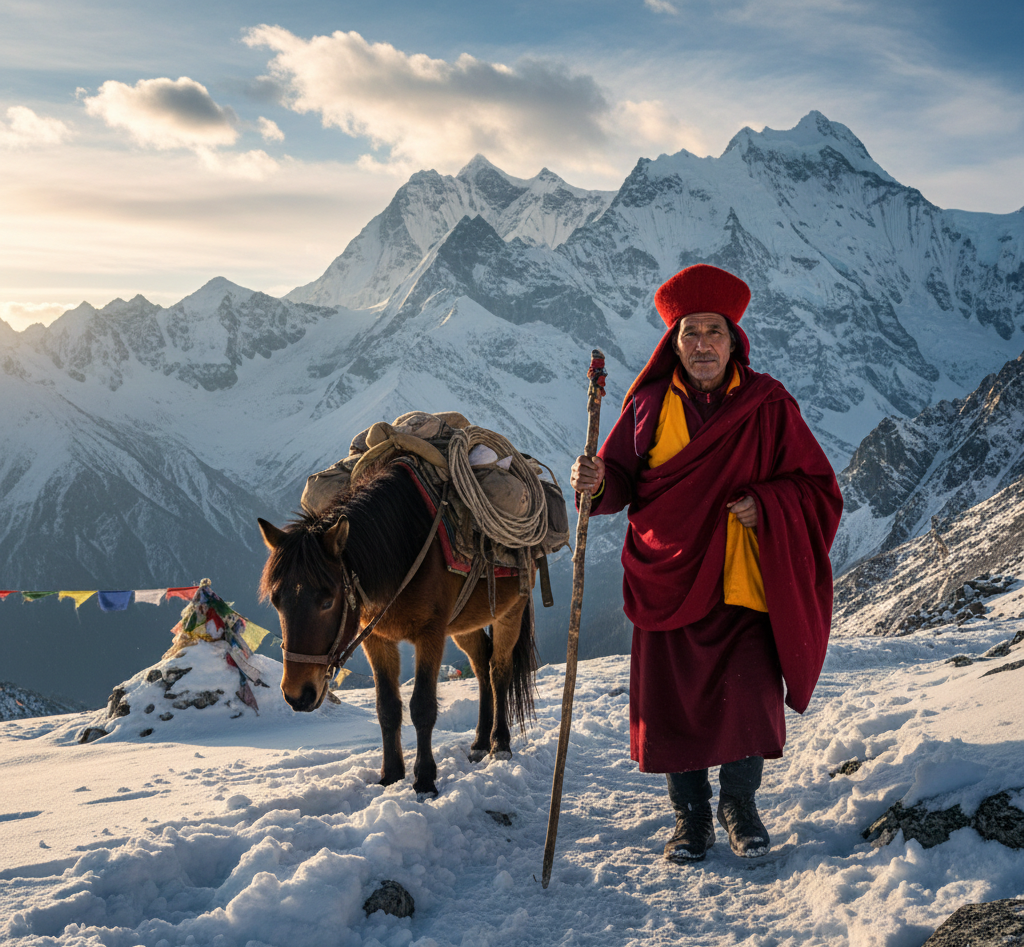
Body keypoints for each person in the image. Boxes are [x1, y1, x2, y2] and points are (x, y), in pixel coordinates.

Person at [570, 263, 843, 862]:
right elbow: (619, 480)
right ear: (674, 343)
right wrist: (593, 483)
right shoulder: (647, 405)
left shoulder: (768, 406)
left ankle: (740, 810)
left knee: (747, 698)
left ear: (733, 340)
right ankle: (689, 819)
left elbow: (818, 487)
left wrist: (766, 503)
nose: (701, 346)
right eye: (689, 334)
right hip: (666, 575)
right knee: (674, 707)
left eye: (712, 333)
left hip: (742, 577)